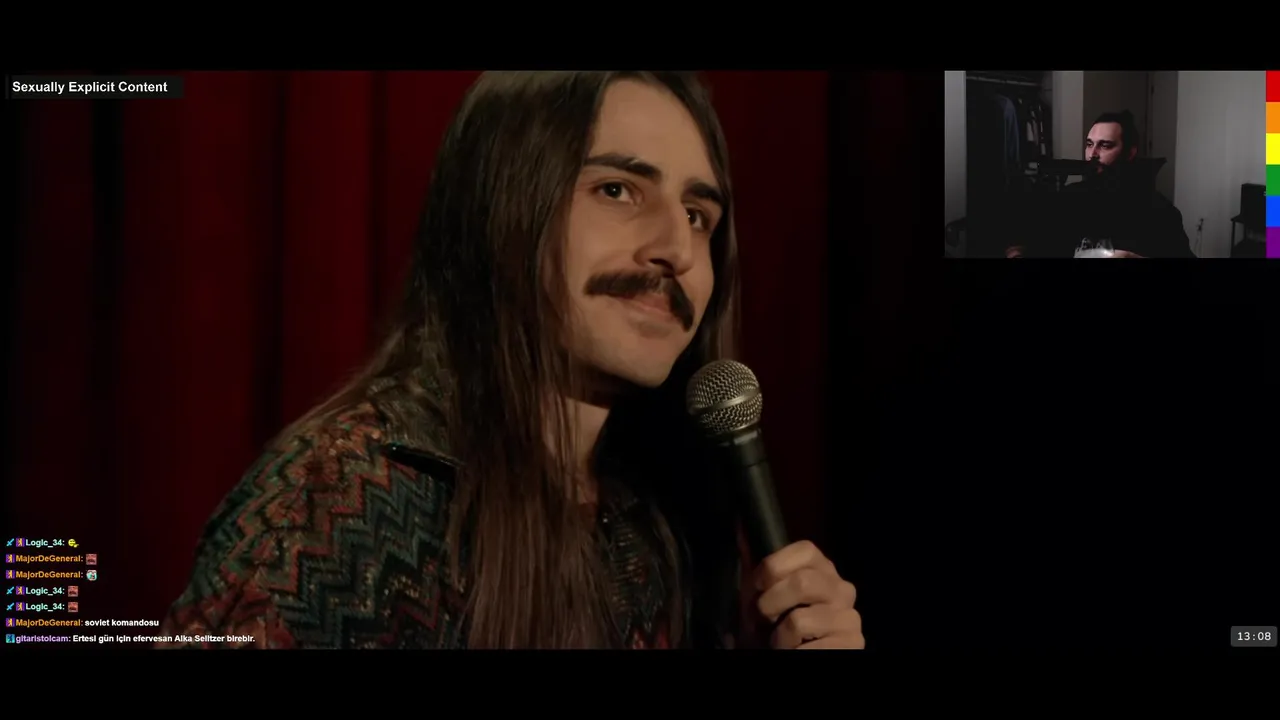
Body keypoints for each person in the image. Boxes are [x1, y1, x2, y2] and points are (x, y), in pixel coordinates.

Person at [157, 72, 864, 650]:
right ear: (500, 205)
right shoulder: (345, 500)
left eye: (697, 215)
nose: (676, 249)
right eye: (617, 190)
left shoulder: (663, 525)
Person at [1007, 111, 1195, 258]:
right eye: (1089, 144)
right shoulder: (1066, 199)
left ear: (1130, 153)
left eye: (1105, 146)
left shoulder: (1159, 210)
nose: (1092, 154)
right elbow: (1032, 244)